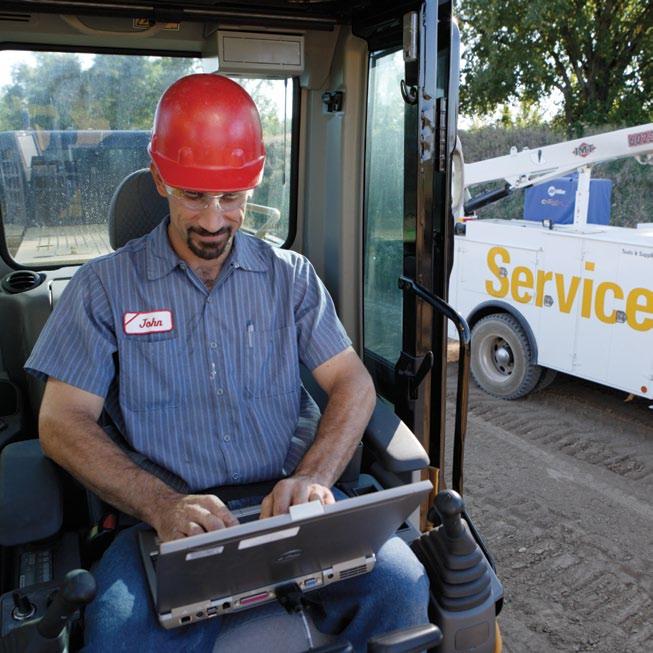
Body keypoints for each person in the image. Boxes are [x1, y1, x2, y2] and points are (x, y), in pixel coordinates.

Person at [25, 74, 429, 652]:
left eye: (231, 198)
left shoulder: (290, 279)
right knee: (119, 636)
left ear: (254, 182)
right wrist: (162, 507)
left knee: (402, 586)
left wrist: (313, 478)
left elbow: (353, 384)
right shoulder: (103, 289)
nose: (214, 221)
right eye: (194, 195)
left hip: (287, 508)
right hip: (165, 523)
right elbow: (59, 423)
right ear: (160, 177)